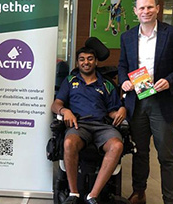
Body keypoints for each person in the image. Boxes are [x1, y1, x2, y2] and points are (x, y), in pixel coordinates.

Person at [118, 0, 173, 204]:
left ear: (157, 8)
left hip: (163, 102)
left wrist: (170, 80)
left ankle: (170, 199)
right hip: (138, 102)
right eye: (141, 8)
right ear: (135, 11)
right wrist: (124, 80)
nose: (146, 11)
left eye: (150, 7)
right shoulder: (128, 36)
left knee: (166, 155)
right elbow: (123, 65)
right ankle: (139, 192)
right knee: (140, 152)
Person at [51, 47, 127, 204]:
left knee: (117, 146)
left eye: (90, 58)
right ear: (78, 63)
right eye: (82, 59)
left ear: (96, 61)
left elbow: (113, 111)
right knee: (69, 142)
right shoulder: (71, 81)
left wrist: (121, 110)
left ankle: (93, 195)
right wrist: (65, 111)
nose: (86, 62)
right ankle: (74, 194)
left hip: (102, 126)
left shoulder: (106, 84)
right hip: (79, 124)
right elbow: (56, 104)